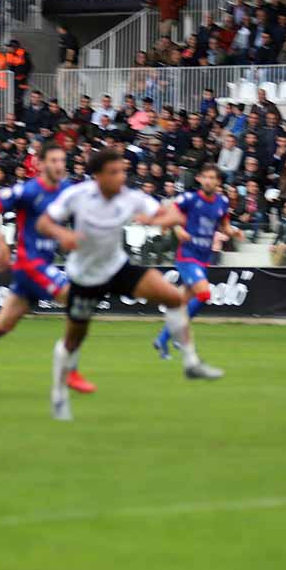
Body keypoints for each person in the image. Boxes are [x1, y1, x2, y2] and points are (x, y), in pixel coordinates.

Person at [38, 149, 221, 422]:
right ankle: (58, 396)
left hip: (117, 267)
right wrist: (62, 234)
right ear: (98, 176)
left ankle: (191, 363)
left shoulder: (130, 196)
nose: (121, 177)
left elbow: (171, 215)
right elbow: (43, 223)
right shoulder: (77, 195)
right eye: (114, 172)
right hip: (85, 277)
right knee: (73, 339)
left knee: (172, 297)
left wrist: (158, 219)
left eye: (123, 171)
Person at [0, 143, 95, 396]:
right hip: (30, 264)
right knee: (78, 302)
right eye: (53, 161)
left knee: (2, 324)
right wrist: (1, 245)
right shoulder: (28, 190)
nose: (59, 166)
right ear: (41, 164)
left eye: (61, 161)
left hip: (38, 266)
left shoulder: (68, 190)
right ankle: (71, 371)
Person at [152, 164, 241, 360]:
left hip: (203, 257)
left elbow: (225, 226)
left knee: (182, 304)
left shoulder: (222, 202)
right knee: (204, 294)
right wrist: (178, 229)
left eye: (213, 177)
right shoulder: (189, 199)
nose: (209, 180)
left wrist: (234, 231)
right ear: (200, 179)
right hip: (187, 255)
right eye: (206, 177)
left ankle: (162, 339)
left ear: (218, 182)